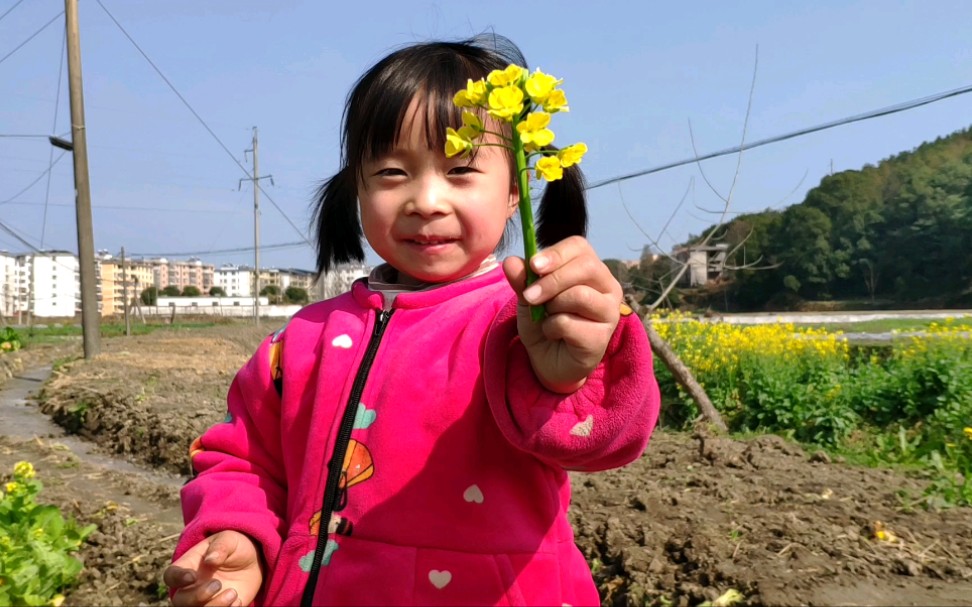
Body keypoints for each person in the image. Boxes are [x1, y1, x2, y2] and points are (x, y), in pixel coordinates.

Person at [164, 33, 660, 607]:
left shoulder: (521, 321)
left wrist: (572, 370)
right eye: (393, 172)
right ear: (358, 188)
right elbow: (242, 457)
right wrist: (240, 540)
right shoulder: (301, 341)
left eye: (461, 169)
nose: (425, 199)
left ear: (514, 190)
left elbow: (606, 437)